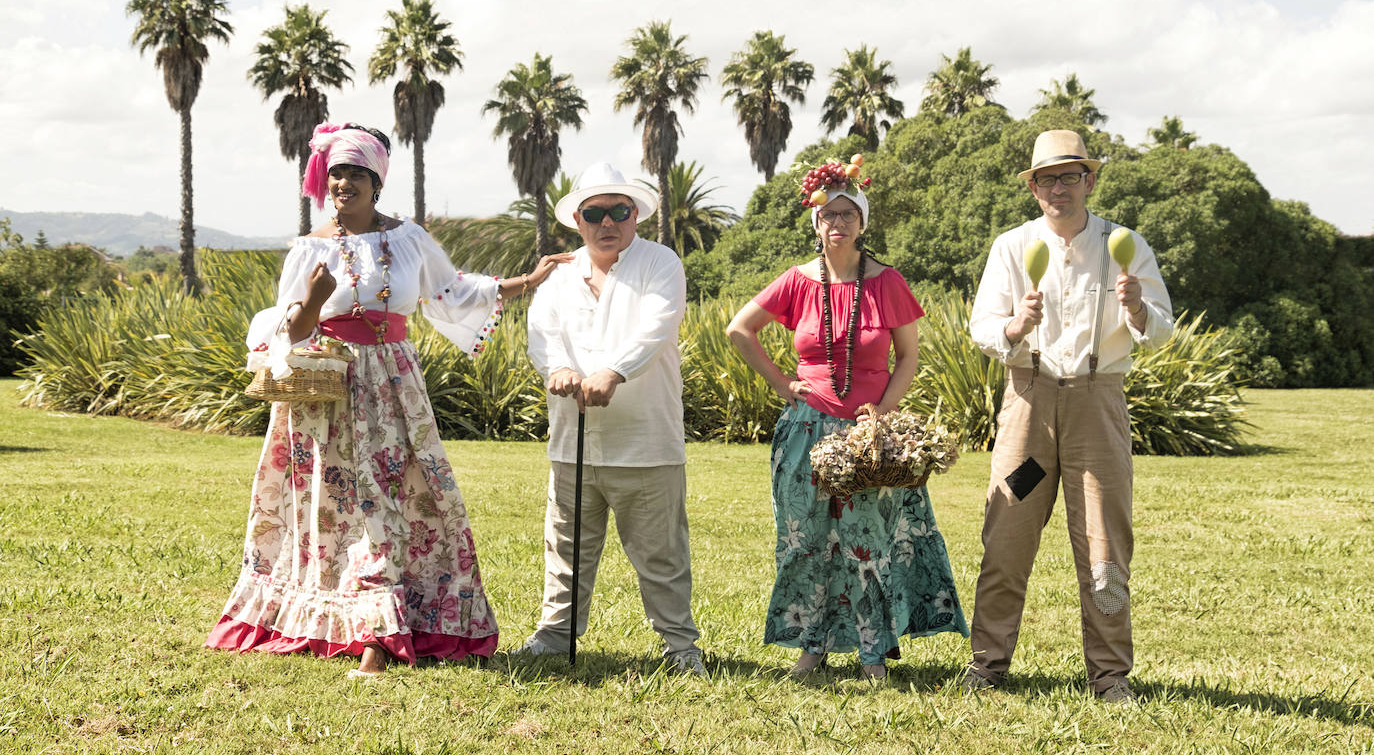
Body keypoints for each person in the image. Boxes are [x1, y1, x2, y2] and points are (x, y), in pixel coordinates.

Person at [207, 121, 568, 678]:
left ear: (377, 182)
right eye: (337, 173)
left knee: (409, 495)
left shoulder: (408, 239)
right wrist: (314, 297)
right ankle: (370, 631)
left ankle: (399, 620)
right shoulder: (309, 249)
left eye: (356, 173)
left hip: (397, 384)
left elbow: (453, 291)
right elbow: (289, 332)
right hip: (329, 391)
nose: (344, 183)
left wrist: (529, 279)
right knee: (344, 502)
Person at [725, 158, 968, 681]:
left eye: (847, 214)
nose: (837, 224)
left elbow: (907, 358)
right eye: (827, 215)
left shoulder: (886, 282)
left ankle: (872, 653)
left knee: (868, 541)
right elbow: (739, 329)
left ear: (862, 222)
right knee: (805, 539)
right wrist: (782, 384)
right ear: (815, 223)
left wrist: (881, 415)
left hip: (869, 436)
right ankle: (811, 648)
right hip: (808, 429)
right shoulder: (795, 281)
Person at [964, 129, 1174, 704]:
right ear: (1032, 187)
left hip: (1096, 407)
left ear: (1091, 179)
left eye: (1071, 175)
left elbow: (1162, 327)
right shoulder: (1012, 247)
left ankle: (1110, 677)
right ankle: (988, 664)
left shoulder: (1124, 244)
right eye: (1048, 178)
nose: (1060, 187)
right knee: (1008, 529)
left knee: (1105, 540)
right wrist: (1013, 327)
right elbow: (983, 325)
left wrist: (1136, 309)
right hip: (1029, 409)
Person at [519, 161, 703, 675]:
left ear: (636, 215)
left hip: (646, 440)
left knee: (661, 555)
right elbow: (543, 333)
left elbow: (658, 325)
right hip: (571, 440)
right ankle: (555, 637)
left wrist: (613, 372)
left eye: (619, 211)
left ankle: (680, 648)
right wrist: (556, 365)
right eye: (595, 213)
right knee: (566, 549)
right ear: (577, 219)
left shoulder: (660, 263)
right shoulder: (557, 277)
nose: (607, 223)